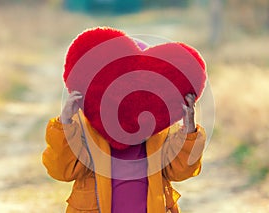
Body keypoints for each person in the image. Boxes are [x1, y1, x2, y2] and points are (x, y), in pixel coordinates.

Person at [42, 27, 206, 213]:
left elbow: (181, 170)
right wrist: (65, 122)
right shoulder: (84, 128)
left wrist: (188, 129)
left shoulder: (159, 131)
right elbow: (61, 170)